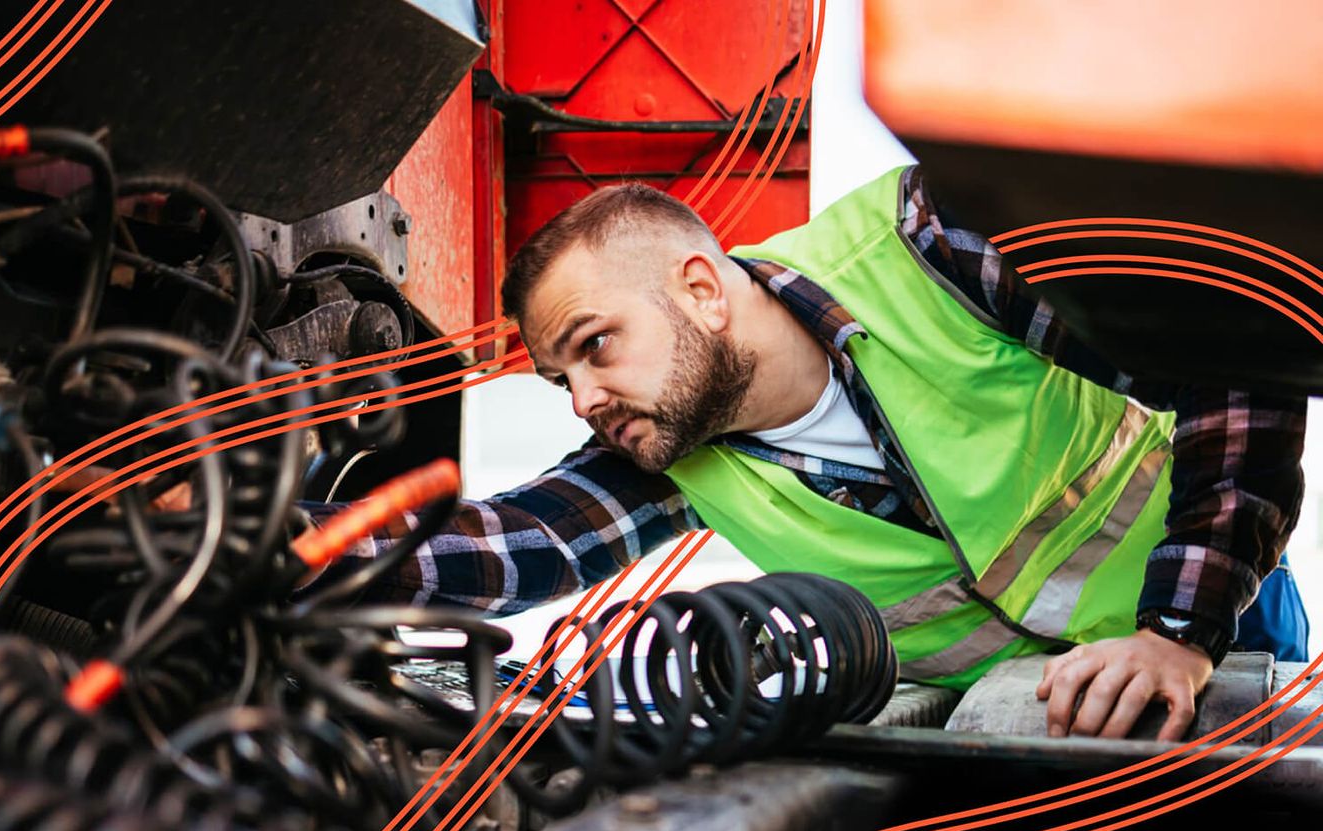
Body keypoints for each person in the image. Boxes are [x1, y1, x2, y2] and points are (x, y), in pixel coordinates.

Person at [303, 165, 1308, 741]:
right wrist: (273, 558)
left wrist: (1179, 628)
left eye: (593, 345)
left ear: (700, 287)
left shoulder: (927, 246)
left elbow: (1223, 355)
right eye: (559, 378)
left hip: (1216, 626)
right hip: (1032, 724)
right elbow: (508, 544)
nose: (583, 399)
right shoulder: (671, 450)